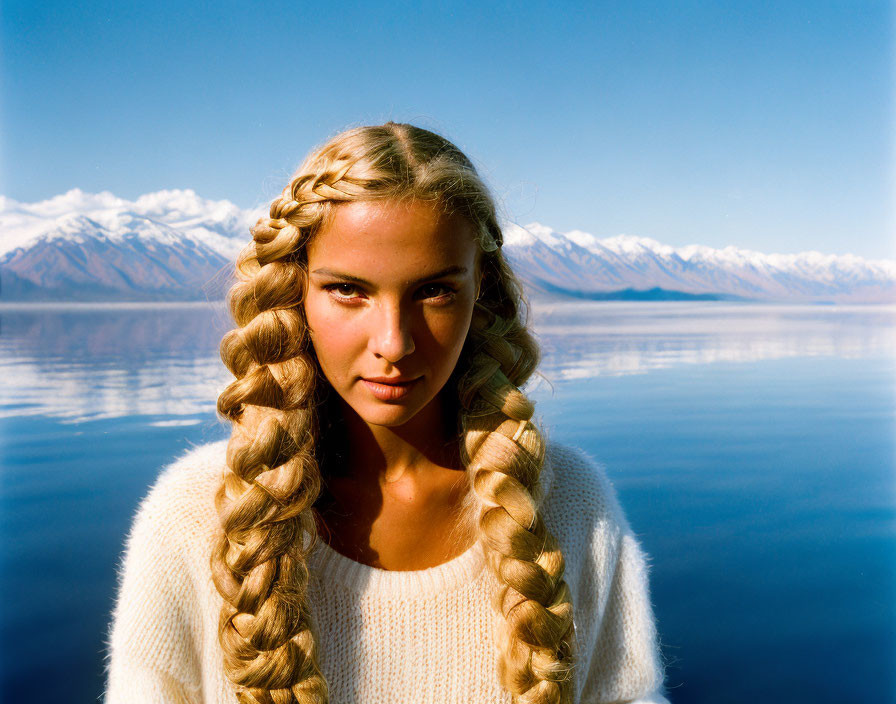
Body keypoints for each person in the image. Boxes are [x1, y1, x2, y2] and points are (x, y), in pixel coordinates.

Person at [104, 122, 669, 704]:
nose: (394, 343)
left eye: (435, 292)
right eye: (349, 290)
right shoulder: (197, 513)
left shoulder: (570, 505)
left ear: (483, 296)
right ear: (295, 292)